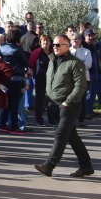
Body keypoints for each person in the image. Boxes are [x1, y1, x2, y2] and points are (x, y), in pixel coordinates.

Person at [35, 35, 94, 178]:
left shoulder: (75, 63)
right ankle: (86, 166)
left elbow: (81, 86)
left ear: (67, 46)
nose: (54, 47)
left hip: (69, 105)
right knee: (72, 137)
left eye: (58, 45)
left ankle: (49, 165)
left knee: (60, 135)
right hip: (54, 104)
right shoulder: (51, 61)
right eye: (54, 44)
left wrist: (68, 101)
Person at [0, 29, 30, 133]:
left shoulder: (1, 47)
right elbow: (25, 63)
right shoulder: (17, 49)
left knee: (6, 102)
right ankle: (14, 126)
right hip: (16, 78)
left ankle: (2, 124)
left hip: (4, 78)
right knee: (14, 104)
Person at [30, 34, 53, 126]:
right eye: (43, 41)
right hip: (40, 79)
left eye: (47, 41)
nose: (45, 43)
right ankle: (38, 119)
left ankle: (52, 119)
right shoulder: (36, 52)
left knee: (51, 100)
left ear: (50, 42)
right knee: (39, 100)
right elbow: (31, 65)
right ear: (40, 42)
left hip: (52, 79)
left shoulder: (53, 52)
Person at [70, 33, 92, 126]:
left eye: (77, 39)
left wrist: (74, 66)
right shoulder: (67, 51)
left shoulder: (86, 51)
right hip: (70, 79)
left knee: (81, 100)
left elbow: (87, 65)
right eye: (73, 39)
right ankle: (71, 119)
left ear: (80, 40)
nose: (75, 40)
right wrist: (80, 63)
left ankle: (81, 120)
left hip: (83, 79)